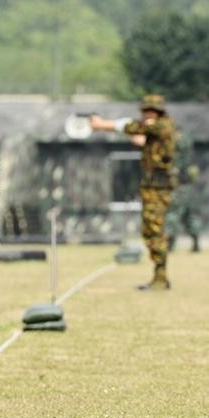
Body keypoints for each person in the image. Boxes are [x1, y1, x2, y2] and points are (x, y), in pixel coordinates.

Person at [90, 94, 177, 290]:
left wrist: (102, 125)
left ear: (156, 112)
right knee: (149, 230)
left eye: (148, 112)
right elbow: (140, 136)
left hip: (158, 188)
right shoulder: (156, 130)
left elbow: (133, 126)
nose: (145, 115)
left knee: (155, 230)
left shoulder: (161, 125)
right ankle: (159, 276)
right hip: (152, 187)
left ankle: (161, 278)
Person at [166, 130, 201, 252]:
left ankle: (170, 244)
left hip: (179, 189)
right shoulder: (189, 155)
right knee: (190, 217)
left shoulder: (178, 158)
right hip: (189, 189)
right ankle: (196, 243)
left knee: (172, 216)